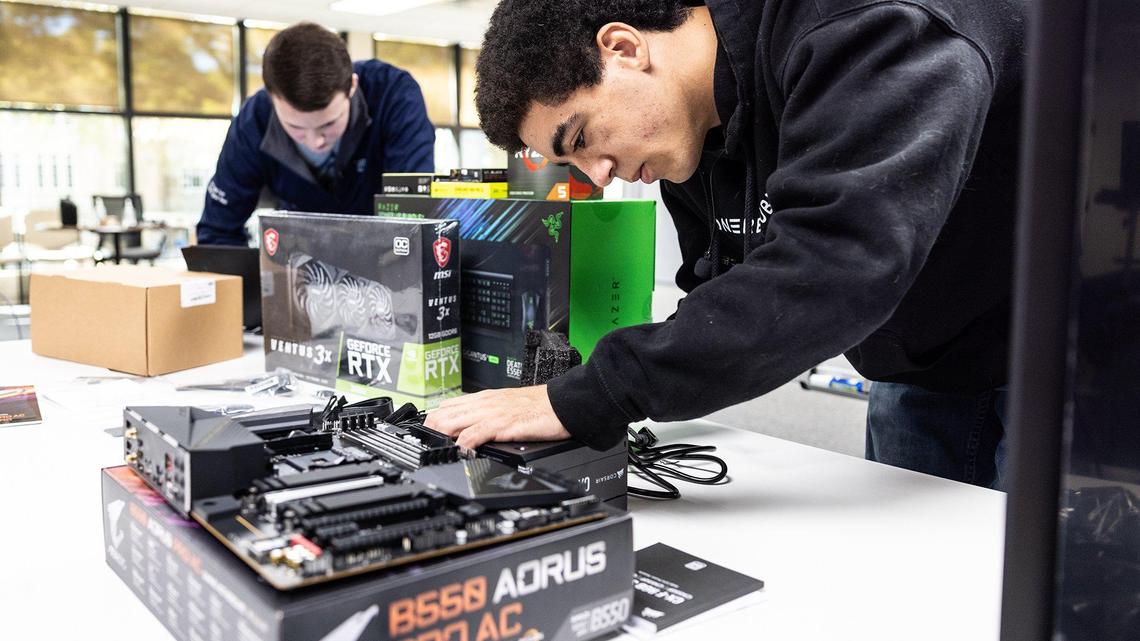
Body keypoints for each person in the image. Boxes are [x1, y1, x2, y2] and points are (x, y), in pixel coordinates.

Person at [426, 0, 1025, 489]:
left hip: (1065, 355)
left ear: (625, 48)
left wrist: (591, 395)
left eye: (581, 136)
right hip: (921, 362)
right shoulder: (692, 139)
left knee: (1062, 593)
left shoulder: (862, 25)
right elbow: (723, 293)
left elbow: (838, 262)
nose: (597, 174)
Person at [196, 22, 435, 246]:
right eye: (296, 128)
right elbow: (217, 232)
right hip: (297, 269)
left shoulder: (393, 95)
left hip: (390, 262)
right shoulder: (255, 119)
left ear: (352, 86)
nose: (315, 142)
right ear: (271, 99)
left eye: (328, 124)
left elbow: (414, 218)